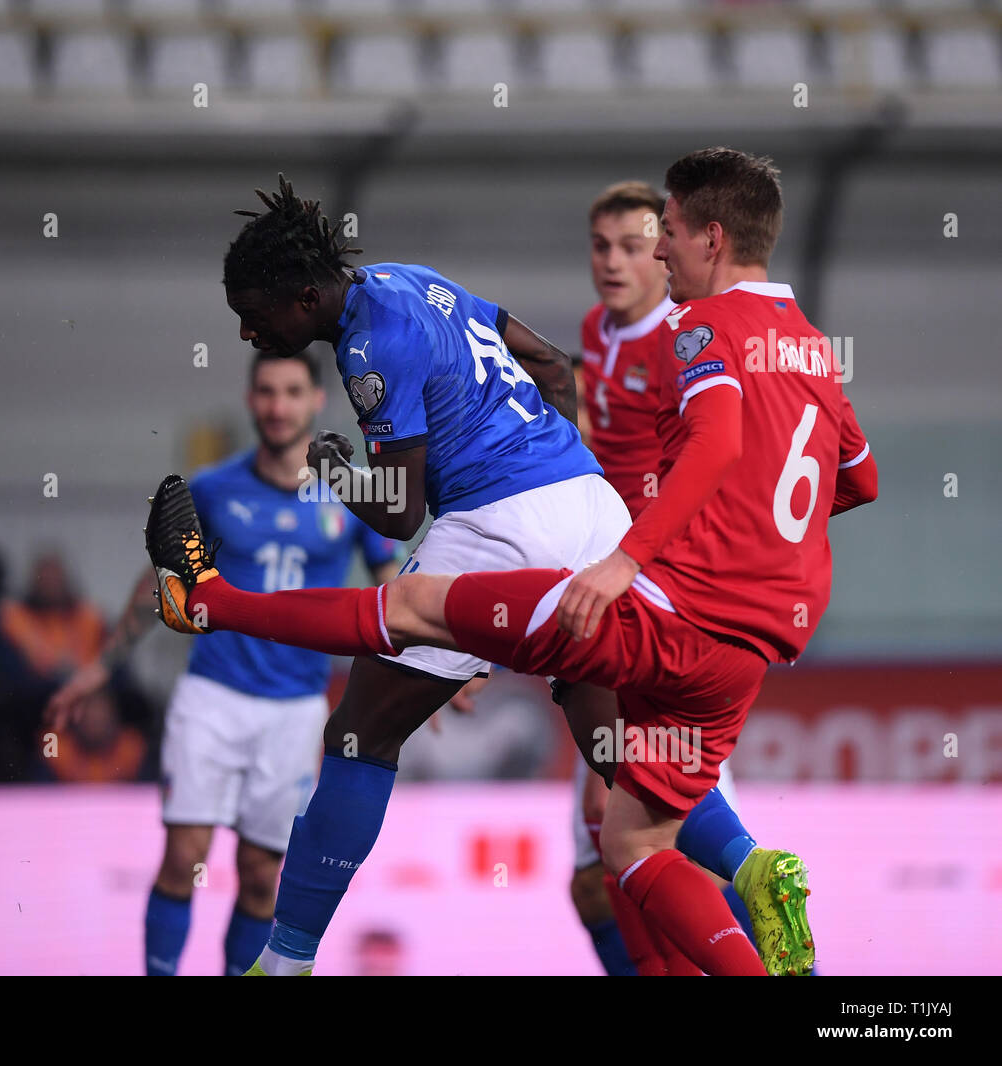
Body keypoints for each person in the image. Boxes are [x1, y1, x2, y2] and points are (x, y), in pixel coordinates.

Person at [146, 149, 877, 975]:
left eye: (254, 313)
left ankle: (284, 961)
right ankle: (747, 864)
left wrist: (337, 471)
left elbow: (400, 509)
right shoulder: (410, 279)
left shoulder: (365, 347)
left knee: (361, 730)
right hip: (589, 502)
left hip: (503, 518)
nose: (250, 333)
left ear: (303, 298)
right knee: (620, 755)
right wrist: (555, 467)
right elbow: (551, 365)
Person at [47, 348, 399, 976]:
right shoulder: (210, 488)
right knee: (184, 855)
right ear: (250, 399)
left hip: (294, 713)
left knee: (263, 877)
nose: (278, 406)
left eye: (292, 392)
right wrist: (103, 666)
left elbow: (392, 590)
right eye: (266, 392)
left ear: (316, 401)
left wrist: (430, 671)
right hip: (211, 697)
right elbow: (161, 580)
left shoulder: (348, 494)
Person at [568, 180, 755, 975]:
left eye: (635, 245)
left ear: (665, 251)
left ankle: (769, 920)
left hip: (662, 599)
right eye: (601, 246)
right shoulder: (593, 333)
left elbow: (720, 458)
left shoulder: (685, 341)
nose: (614, 262)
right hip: (611, 588)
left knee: (622, 819)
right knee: (600, 868)